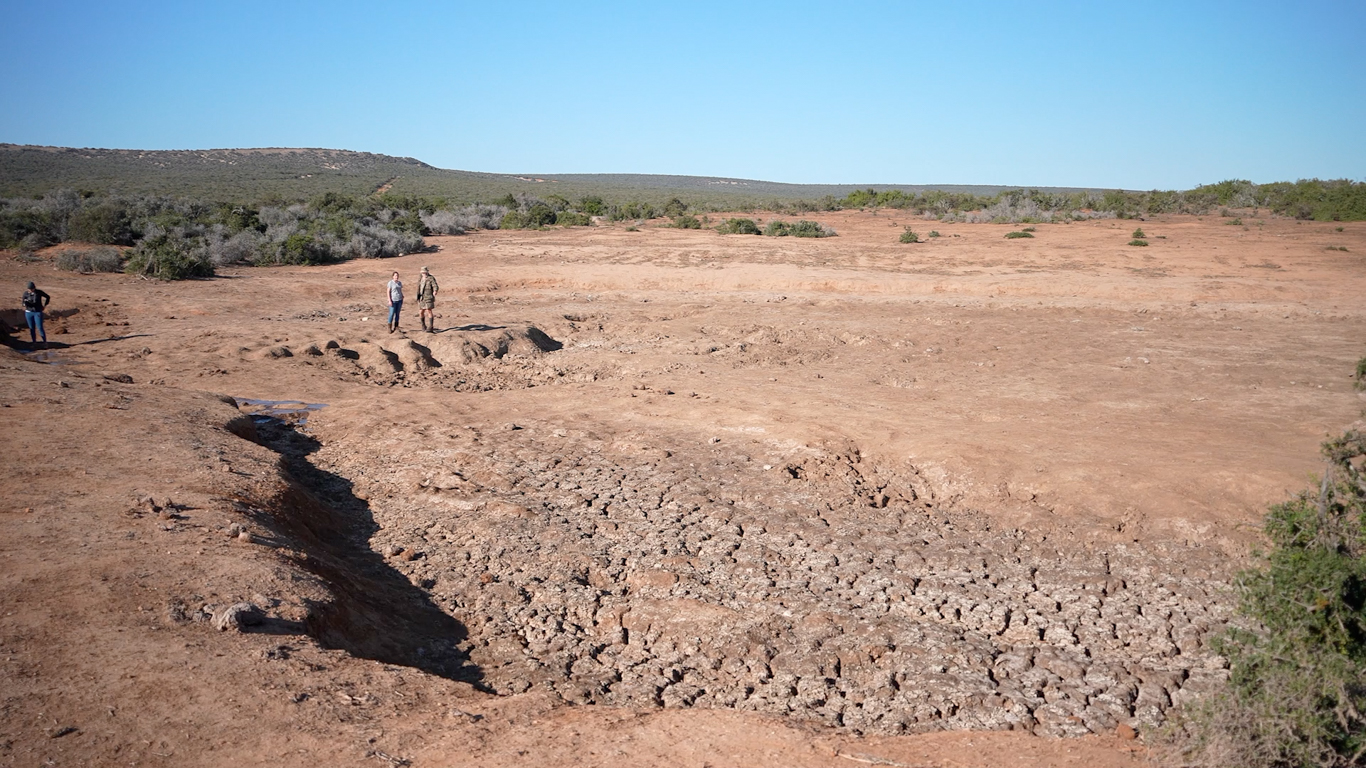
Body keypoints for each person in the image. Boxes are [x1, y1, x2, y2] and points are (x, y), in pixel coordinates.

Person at [22, 281, 51, 347]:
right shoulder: (26, 293)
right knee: (31, 327)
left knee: (40, 327)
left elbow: (47, 297)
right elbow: (23, 302)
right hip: (28, 312)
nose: (31, 290)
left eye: (32, 289)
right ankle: (34, 342)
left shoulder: (39, 292)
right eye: (29, 289)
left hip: (37, 311)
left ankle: (44, 342)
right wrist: (25, 303)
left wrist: (44, 305)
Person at [416, 266, 439, 333]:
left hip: (428, 297)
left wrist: (435, 291)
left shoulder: (431, 278)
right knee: (421, 311)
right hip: (421, 297)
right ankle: (423, 325)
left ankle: (431, 326)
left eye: (425, 272)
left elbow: (435, 285)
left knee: (429, 310)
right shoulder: (420, 278)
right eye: (423, 272)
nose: (424, 273)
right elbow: (418, 287)